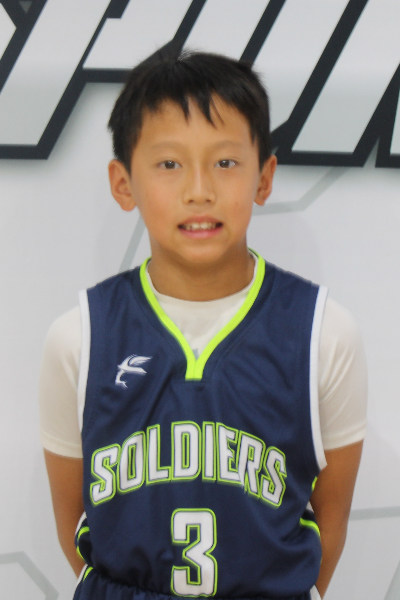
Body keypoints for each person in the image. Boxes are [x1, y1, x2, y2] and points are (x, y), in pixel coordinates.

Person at [40, 49, 367, 600]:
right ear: (123, 183)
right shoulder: (79, 338)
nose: (199, 190)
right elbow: (75, 525)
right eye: (169, 164)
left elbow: (328, 529)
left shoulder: (323, 333)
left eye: (225, 162)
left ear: (264, 177)